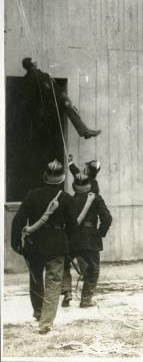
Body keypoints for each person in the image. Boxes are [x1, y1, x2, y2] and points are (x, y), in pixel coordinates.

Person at [10, 160, 77, 334]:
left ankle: (39, 314)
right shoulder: (66, 198)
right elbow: (73, 227)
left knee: (35, 279)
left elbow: (18, 221)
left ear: (45, 177)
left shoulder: (32, 195)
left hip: (34, 245)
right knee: (53, 283)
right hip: (57, 245)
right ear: (62, 179)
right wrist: (71, 248)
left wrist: (16, 242)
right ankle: (46, 323)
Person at [61, 173, 112, 308]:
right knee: (93, 269)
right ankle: (86, 300)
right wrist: (100, 233)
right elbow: (107, 218)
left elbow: (63, 222)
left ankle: (67, 292)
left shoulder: (69, 200)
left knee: (64, 265)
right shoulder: (96, 199)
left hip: (71, 239)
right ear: (89, 186)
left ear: (74, 187)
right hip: (89, 239)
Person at [22, 57, 101, 139]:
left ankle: (86, 131)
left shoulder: (30, 77)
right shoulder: (37, 76)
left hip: (49, 102)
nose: (36, 62)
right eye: (33, 61)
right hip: (51, 103)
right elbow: (48, 89)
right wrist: (63, 97)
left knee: (72, 109)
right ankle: (86, 132)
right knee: (70, 108)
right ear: (31, 65)